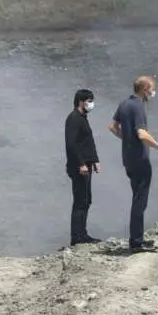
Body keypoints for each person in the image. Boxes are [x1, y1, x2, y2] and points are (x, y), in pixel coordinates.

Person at [109, 76, 158, 254]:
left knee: (137, 197)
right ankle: (136, 242)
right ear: (145, 89)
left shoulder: (124, 104)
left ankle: (137, 238)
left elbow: (113, 127)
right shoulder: (138, 106)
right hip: (140, 159)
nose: (153, 92)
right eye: (152, 89)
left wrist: (126, 139)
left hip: (128, 158)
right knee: (140, 201)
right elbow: (142, 134)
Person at [65, 89, 102, 246]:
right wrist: (81, 163)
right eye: (89, 101)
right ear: (81, 101)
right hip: (79, 167)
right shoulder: (74, 118)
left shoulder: (83, 118)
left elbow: (88, 142)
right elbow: (71, 144)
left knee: (86, 200)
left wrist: (95, 160)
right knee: (80, 201)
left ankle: (83, 233)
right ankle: (77, 237)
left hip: (87, 165)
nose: (91, 104)